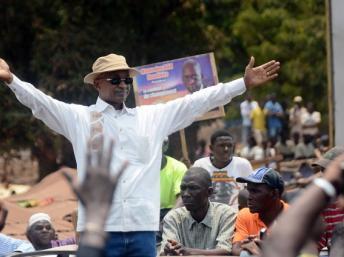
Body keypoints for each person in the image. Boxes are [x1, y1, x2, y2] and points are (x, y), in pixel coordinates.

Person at [0, 54, 280, 257]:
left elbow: (198, 101)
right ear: (97, 83)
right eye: (115, 79)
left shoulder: (151, 117)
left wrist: (241, 84)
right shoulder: (80, 118)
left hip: (143, 229)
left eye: (126, 80)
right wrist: (12, 80)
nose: (123, 84)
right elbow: (42, 104)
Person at [262, 153, 344, 257]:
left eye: (327, 171)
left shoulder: (319, 202)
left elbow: (279, 248)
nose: (323, 175)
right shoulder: (324, 206)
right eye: (321, 171)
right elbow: (316, 247)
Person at [160, 167, 236, 256]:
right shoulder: (173, 217)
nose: (185, 194)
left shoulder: (226, 214)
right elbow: (164, 252)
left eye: (193, 188)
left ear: (209, 192)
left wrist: (188, 252)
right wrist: (168, 251)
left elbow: (225, 251)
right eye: (183, 188)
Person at [232, 167, 288, 256]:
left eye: (255, 191)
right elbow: (236, 249)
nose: (249, 197)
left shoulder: (295, 216)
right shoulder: (245, 214)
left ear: (274, 193)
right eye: (249, 190)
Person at [193, 130, 253, 208]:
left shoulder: (243, 164)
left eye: (229, 145)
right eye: (221, 145)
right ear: (211, 148)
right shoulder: (200, 165)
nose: (226, 149)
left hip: (236, 215)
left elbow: (252, 191)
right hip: (209, 215)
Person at [0, 212, 76, 256]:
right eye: (39, 228)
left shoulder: (65, 250)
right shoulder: (23, 249)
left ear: (54, 234)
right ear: (29, 235)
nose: (44, 230)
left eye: (48, 228)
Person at [158, 137, 187, 243]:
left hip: (172, 211)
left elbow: (182, 197)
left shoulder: (178, 167)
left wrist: (168, 218)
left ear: (165, 146)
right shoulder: (139, 169)